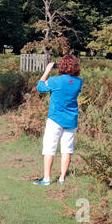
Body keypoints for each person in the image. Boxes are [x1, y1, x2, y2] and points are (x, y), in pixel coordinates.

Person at [33, 55, 83, 186]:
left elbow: (40, 87)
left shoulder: (55, 81)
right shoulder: (79, 82)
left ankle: (47, 178)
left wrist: (47, 70)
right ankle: (62, 178)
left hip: (55, 118)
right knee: (67, 149)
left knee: (49, 148)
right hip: (71, 119)